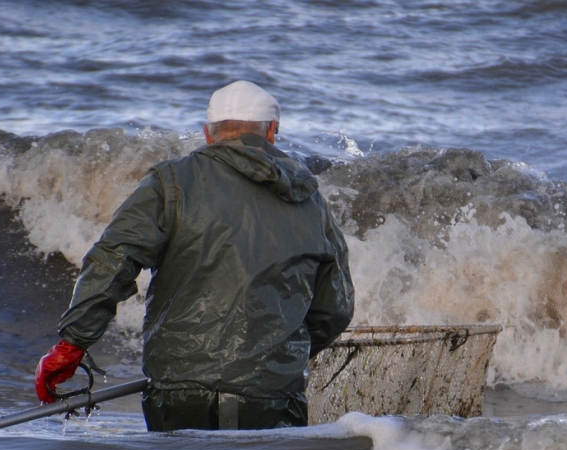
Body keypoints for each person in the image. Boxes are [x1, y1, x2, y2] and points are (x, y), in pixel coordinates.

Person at [34, 80, 355, 431]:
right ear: (273, 132)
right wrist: (274, 356)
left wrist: (72, 344)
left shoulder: (169, 183)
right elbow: (334, 310)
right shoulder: (310, 201)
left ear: (207, 133)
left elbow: (113, 260)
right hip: (271, 396)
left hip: (179, 392)